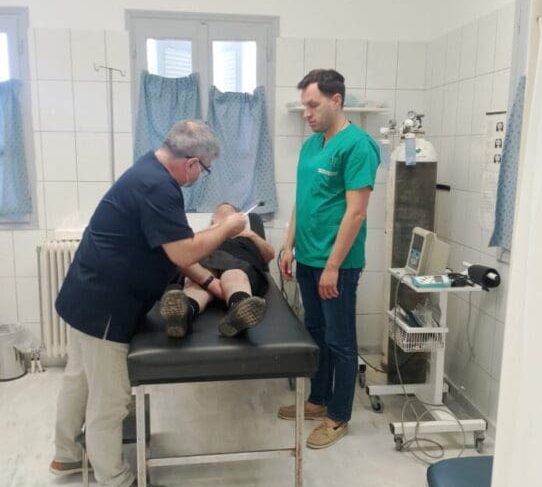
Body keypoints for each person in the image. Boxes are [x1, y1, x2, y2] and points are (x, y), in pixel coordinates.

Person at [49, 120, 247, 487]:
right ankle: (115, 478)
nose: (200, 177)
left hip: (86, 293)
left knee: (79, 379)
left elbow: (169, 247)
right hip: (106, 306)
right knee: (110, 400)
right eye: (204, 170)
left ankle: (67, 454)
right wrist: (227, 227)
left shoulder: (148, 168)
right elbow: (183, 250)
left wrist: (208, 281)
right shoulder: (158, 187)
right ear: (191, 163)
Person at [277, 69, 380, 449]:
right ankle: (317, 400)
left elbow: (356, 212)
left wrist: (333, 267)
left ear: (336, 100)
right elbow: (303, 201)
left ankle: (338, 417)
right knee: (316, 333)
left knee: (340, 341)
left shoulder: (358, 146)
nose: (307, 113)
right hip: (307, 258)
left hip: (338, 264)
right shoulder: (312, 145)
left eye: (313, 105)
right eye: (304, 106)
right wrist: (288, 246)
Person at [159, 202, 275, 338]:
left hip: (238, 260)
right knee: (195, 282)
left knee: (234, 274)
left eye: (229, 212)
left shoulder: (247, 236)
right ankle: (184, 315)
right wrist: (214, 230)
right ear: (213, 219)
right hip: (205, 264)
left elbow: (269, 256)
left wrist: (251, 235)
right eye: (219, 213)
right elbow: (186, 252)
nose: (224, 215)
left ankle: (239, 309)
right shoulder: (205, 235)